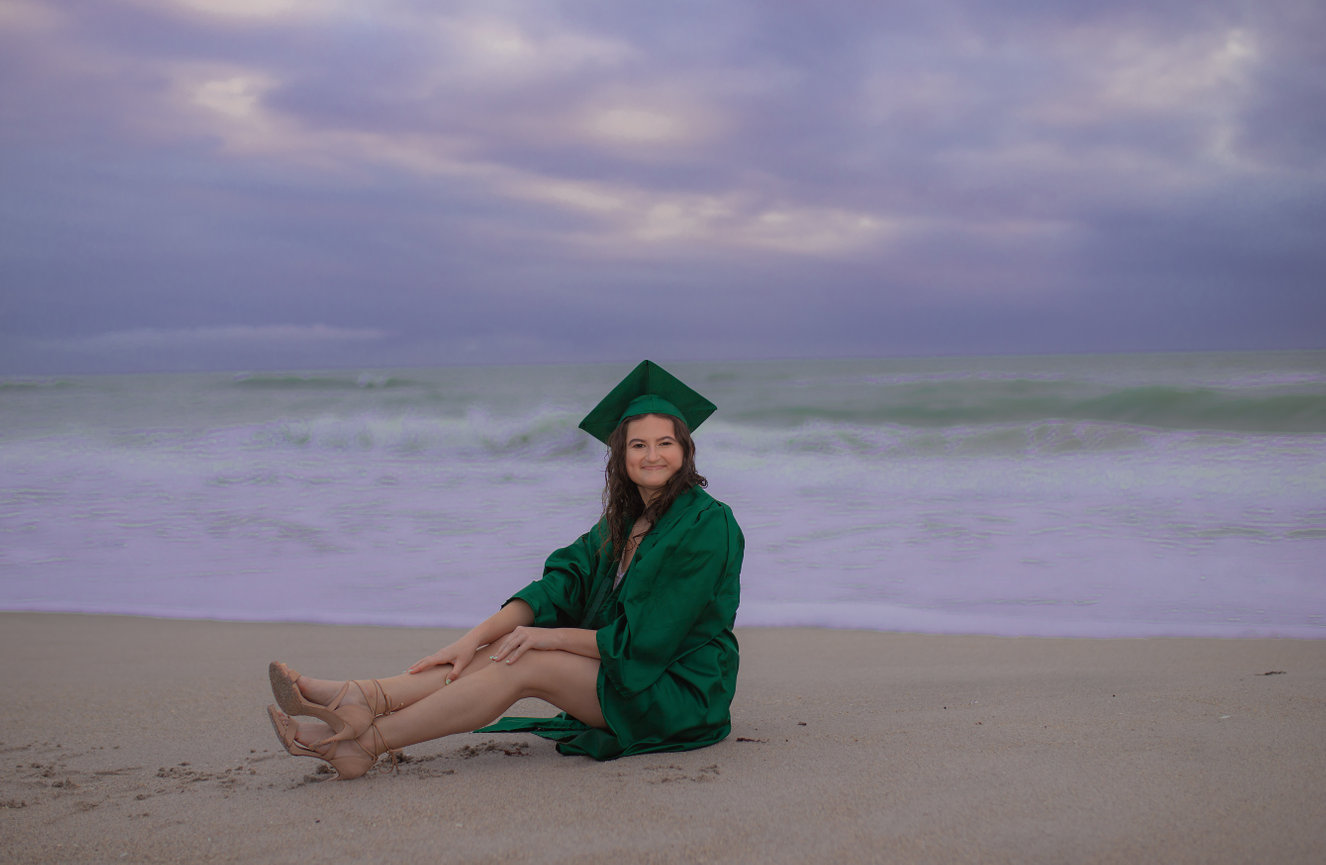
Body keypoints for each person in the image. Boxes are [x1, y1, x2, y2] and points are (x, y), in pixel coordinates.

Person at [267, 360, 744, 779]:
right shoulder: (623, 521)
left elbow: (644, 641)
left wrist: (546, 637)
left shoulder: (707, 524)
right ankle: (365, 698)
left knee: (525, 657)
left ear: (686, 450)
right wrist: (471, 639)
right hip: (632, 675)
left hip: (679, 692)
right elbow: (559, 586)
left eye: (666, 443)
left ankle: (363, 743)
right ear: (620, 455)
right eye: (638, 445)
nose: (652, 455)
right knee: (508, 642)